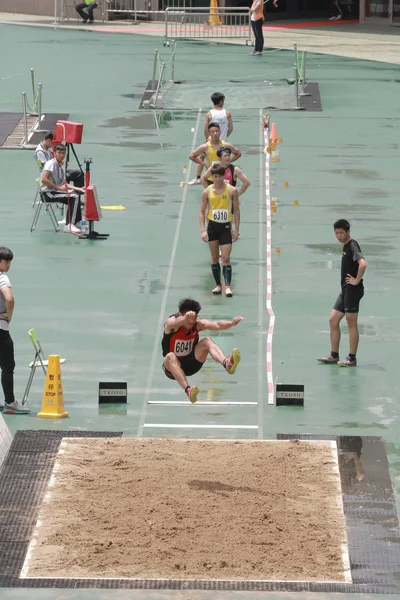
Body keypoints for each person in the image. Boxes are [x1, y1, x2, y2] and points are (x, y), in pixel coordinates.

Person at [162, 298, 244, 403]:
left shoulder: (197, 324)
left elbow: (217, 325)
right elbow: (175, 323)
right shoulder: (171, 323)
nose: (191, 322)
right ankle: (188, 390)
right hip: (172, 368)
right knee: (170, 356)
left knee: (207, 341)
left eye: (194, 318)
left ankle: (227, 364)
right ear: (180, 315)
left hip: (192, 364)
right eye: (188, 319)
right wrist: (185, 318)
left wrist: (231, 323)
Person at [317, 219, 367, 367]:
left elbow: (363, 264)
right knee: (333, 320)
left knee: (351, 323)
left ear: (348, 232)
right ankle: (334, 355)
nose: (338, 236)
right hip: (345, 290)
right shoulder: (345, 246)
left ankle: (352, 358)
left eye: (341, 233)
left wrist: (356, 280)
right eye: (336, 233)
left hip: (353, 290)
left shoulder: (352, 245)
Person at [200, 165, 240, 297]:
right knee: (214, 257)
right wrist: (203, 230)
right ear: (212, 177)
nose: (217, 179)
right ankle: (218, 285)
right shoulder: (207, 192)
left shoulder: (232, 190)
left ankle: (227, 286)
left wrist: (237, 229)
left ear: (224, 176)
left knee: (226, 257)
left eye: (220, 176)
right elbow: (201, 212)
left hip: (226, 227)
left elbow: (236, 210)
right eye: (215, 176)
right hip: (212, 227)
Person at [0, 247, 30, 415]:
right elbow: (9, 299)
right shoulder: (2, 278)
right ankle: (10, 402)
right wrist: (8, 316)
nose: (9, 264)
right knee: (7, 366)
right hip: (1, 329)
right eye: (6, 261)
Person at [41, 144, 85, 234]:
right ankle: (69, 225)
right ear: (54, 153)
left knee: (76, 194)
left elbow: (65, 183)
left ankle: (76, 222)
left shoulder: (60, 166)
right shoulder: (50, 164)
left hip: (55, 192)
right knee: (74, 196)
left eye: (63, 153)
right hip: (48, 194)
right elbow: (44, 179)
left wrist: (79, 188)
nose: (61, 155)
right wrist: (59, 188)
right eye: (59, 153)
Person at [189, 122, 241, 186]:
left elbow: (238, 153)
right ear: (209, 133)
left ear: (220, 132)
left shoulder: (226, 145)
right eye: (212, 132)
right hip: (211, 179)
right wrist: (205, 164)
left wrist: (229, 161)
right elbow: (192, 156)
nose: (215, 133)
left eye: (217, 131)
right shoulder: (205, 147)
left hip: (225, 178)